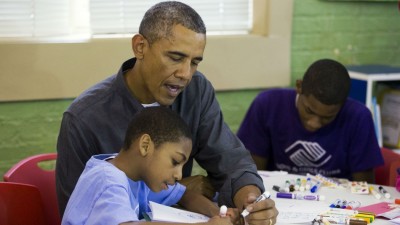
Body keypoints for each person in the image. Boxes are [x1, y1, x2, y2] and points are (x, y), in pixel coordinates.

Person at [56, 1, 278, 224]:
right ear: (140, 46)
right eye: (175, 57)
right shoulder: (83, 120)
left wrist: (250, 200)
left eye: (195, 62)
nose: (186, 74)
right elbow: (78, 209)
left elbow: (230, 160)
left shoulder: (196, 91)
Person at [61, 107, 238, 224]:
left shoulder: (140, 177)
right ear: (145, 145)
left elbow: (185, 195)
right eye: (175, 162)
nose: (178, 175)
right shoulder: (107, 180)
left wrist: (218, 213)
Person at [237, 59, 384, 183]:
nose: (314, 123)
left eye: (327, 117)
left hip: (337, 207)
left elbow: (364, 186)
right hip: (278, 197)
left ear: (343, 105)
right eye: (309, 111)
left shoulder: (358, 117)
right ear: (299, 87)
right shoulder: (267, 104)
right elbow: (252, 175)